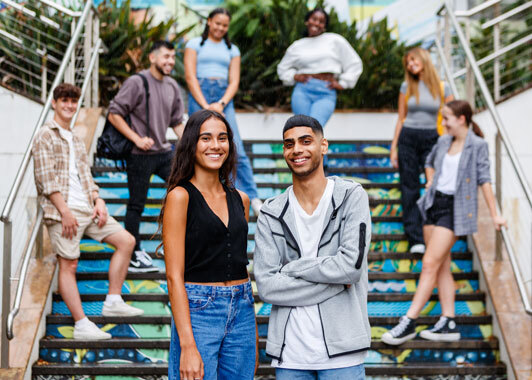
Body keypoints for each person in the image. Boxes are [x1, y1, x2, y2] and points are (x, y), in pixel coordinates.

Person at [254, 115, 371, 379]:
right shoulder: (271, 212)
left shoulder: (351, 197)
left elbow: (350, 268)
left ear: (323, 145)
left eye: (306, 141)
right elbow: (267, 286)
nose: (297, 150)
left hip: (344, 354)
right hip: (290, 356)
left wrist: (293, 269)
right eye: (289, 144)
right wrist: (335, 280)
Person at [381, 100, 507, 345]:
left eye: (447, 118)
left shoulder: (477, 145)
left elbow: (484, 179)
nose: (443, 122)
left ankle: (409, 321)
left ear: (461, 119)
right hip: (432, 204)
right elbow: (429, 163)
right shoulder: (442, 141)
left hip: (454, 208)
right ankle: (449, 321)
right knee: (441, 266)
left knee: (428, 263)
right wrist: (430, 181)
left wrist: (495, 214)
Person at [32, 83, 144, 340]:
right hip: (64, 212)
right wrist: (64, 212)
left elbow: (86, 177)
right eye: (65, 101)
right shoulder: (45, 136)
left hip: (87, 208)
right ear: (54, 103)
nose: (70, 106)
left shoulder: (76, 139)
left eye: (74, 101)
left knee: (126, 240)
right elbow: (46, 180)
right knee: (69, 264)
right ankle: (81, 324)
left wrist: (98, 200)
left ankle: (113, 300)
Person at [161, 110, 257, 380]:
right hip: (199, 310)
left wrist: (252, 334)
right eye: (206, 138)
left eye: (222, 138)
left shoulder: (242, 199)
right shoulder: (180, 197)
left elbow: (240, 264)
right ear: (192, 144)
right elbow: (173, 276)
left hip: (242, 309)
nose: (216, 145)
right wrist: (187, 345)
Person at [109, 40, 185, 273]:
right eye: (165, 57)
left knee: (187, 189)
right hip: (139, 154)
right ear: (152, 58)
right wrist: (136, 138)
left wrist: (192, 147)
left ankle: (179, 243)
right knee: (136, 205)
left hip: (164, 153)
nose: (170, 61)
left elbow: (177, 123)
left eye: (172, 57)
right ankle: (133, 253)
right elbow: (114, 113)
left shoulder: (172, 86)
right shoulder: (137, 82)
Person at [184, 8, 263, 216]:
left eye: (224, 25)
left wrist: (221, 103)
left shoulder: (232, 49)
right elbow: (190, 77)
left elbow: (234, 80)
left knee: (235, 146)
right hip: (199, 93)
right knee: (195, 144)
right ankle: (195, 194)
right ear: (209, 22)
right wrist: (205, 105)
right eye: (217, 23)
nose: (220, 28)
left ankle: (251, 196)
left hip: (223, 96)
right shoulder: (194, 45)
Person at [390, 47, 454, 254]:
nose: (410, 64)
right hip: (408, 137)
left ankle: (435, 233)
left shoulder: (443, 88)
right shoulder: (406, 86)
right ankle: (415, 239)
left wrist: (451, 144)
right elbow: (401, 118)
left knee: (432, 186)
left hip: (432, 140)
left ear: (424, 59)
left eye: (413, 60)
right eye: (407, 62)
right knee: (409, 188)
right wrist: (393, 148)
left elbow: (452, 118)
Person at [277, 8, 362, 128]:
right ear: (307, 21)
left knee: (315, 128)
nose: (317, 23)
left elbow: (355, 63)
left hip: (326, 91)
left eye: (321, 21)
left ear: (325, 26)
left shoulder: (335, 40)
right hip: (303, 91)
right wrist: (294, 76)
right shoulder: (297, 46)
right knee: (302, 129)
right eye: (314, 19)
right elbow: (282, 68)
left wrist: (343, 83)